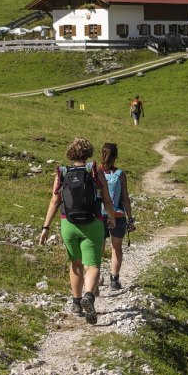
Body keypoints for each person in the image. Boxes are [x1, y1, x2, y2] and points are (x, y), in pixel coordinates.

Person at [35, 138, 118, 324]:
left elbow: (54, 201)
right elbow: (106, 198)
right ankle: (89, 295)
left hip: (68, 224)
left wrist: (46, 227)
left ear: (70, 153)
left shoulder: (62, 172)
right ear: (88, 153)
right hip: (93, 222)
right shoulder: (95, 170)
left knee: (75, 263)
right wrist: (111, 216)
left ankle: (76, 302)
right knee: (92, 265)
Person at [98, 142, 135, 291]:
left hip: (98, 215)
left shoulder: (95, 172)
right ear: (116, 157)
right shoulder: (120, 174)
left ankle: (95, 277)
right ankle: (114, 279)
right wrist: (130, 217)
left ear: (102, 154)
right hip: (117, 215)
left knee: (97, 248)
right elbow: (125, 198)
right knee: (116, 248)